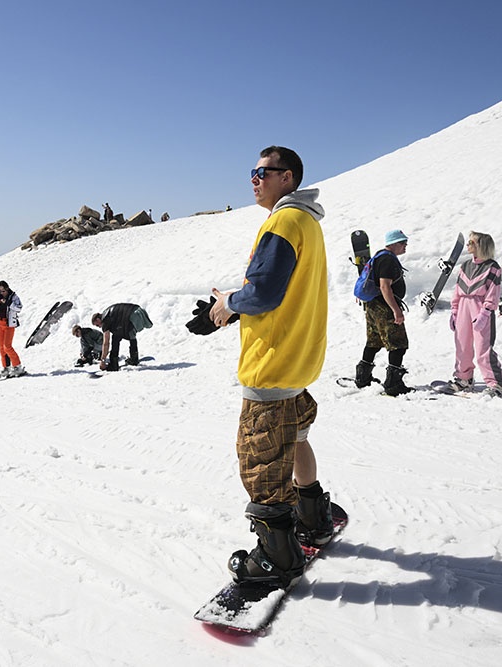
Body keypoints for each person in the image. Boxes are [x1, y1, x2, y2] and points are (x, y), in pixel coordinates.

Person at [202, 146, 333, 587]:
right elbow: (280, 291)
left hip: (272, 365)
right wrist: (230, 307)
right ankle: (313, 517)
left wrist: (229, 303)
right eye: (252, 172)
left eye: (264, 172)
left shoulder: (282, 221)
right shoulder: (309, 223)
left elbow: (263, 294)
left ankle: (277, 557)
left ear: (288, 178)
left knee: (259, 459)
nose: (254, 179)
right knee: (294, 439)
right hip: (298, 357)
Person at [449, 231, 502, 397]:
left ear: (481, 246)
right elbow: (457, 290)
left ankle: (497, 384)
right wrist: (454, 310)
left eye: (471, 243)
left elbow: (493, 293)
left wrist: (486, 312)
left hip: (480, 308)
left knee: (483, 348)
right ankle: (463, 379)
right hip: (463, 308)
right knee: (462, 346)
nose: (468, 245)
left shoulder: (493, 267)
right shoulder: (465, 266)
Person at [355, 229, 413, 396]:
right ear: (393, 243)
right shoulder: (387, 260)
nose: (405, 246)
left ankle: (363, 377)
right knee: (398, 343)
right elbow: (384, 286)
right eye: (403, 243)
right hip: (384, 307)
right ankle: (393, 383)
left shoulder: (380, 256)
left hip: (373, 306)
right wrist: (396, 310)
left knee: (373, 341)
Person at [91, 303, 152, 371]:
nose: (99, 327)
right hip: (138, 311)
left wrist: (103, 360)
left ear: (98, 320)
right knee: (120, 336)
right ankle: (132, 360)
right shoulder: (107, 313)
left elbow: (106, 343)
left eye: (97, 325)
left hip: (133, 316)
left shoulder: (105, 321)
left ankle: (116, 364)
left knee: (121, 337)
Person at [0, 280, 24, 377]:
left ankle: (17, 366)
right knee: (1, 348)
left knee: (7, 346)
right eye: (0, 291)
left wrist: (9, 303)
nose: (2, 293)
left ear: (7, 289)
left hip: (9, 324)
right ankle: (6, 367)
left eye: (3, 291)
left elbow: (19, 308)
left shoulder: (13, 297)